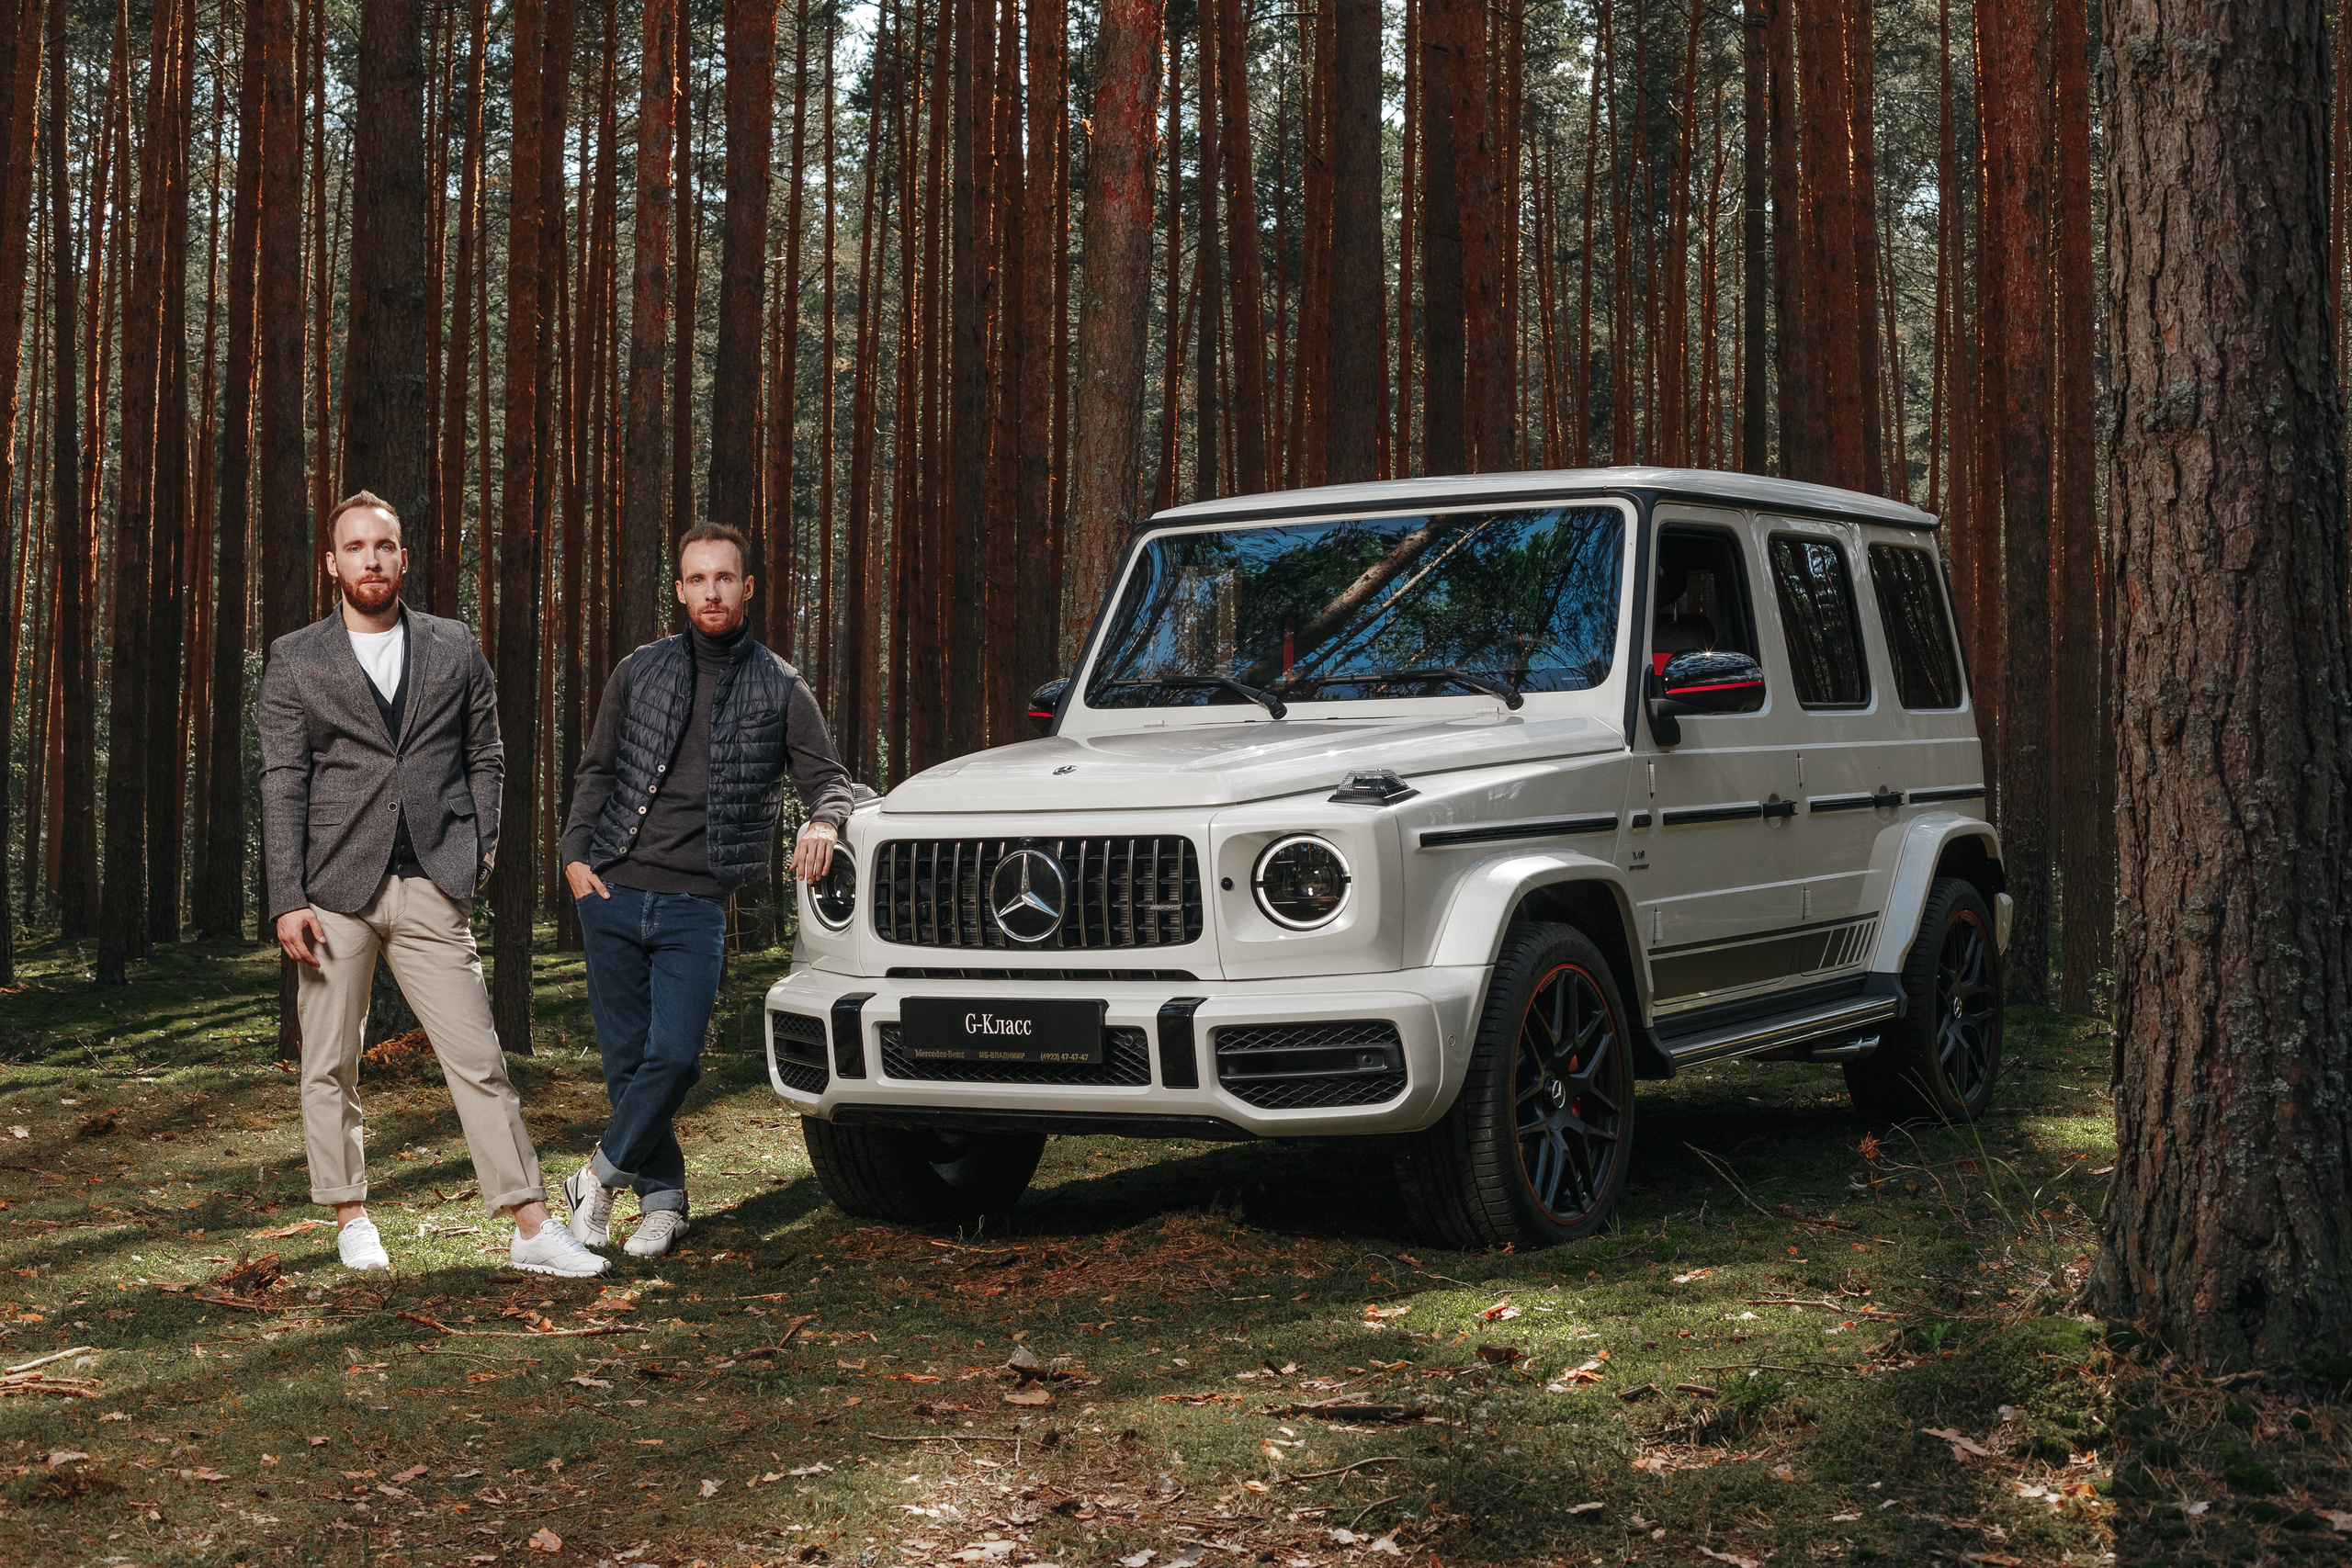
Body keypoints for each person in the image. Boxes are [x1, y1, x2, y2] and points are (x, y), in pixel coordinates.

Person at [259, 491, 608, 1278]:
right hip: (330, 891)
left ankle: (531, 1226)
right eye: (354, 548)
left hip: (431, 883)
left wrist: (477, 853)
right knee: (329, 1062)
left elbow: (486, 750)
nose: (370, 561)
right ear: (332, 562)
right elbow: (282, 779)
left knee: (479, 1058)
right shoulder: (296, 658)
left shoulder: (452, 646)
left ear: (403, 558)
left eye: (383, 547)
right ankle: (351, 1216)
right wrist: (286, 895)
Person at [559, 522, 854, 1258]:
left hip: (696, 905)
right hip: (613, 891)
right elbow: (596, 770)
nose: (710, 591)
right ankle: (664, 1200)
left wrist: (825, 822)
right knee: (628, 1063)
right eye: (696, 579)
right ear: (681, 588)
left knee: (678, 1055)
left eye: (724, 578)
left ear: (746, 588)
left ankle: (594, 1178)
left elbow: (830, 781)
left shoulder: (781, 684)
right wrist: (572, 856)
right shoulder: (640, 669)